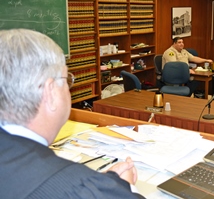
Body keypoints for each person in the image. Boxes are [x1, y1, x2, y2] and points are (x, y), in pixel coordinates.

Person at [0, 29, 144, 199]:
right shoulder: (81, 189)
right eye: (66, 79)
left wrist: (107, 181)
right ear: (50, 92)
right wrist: (123, 188)